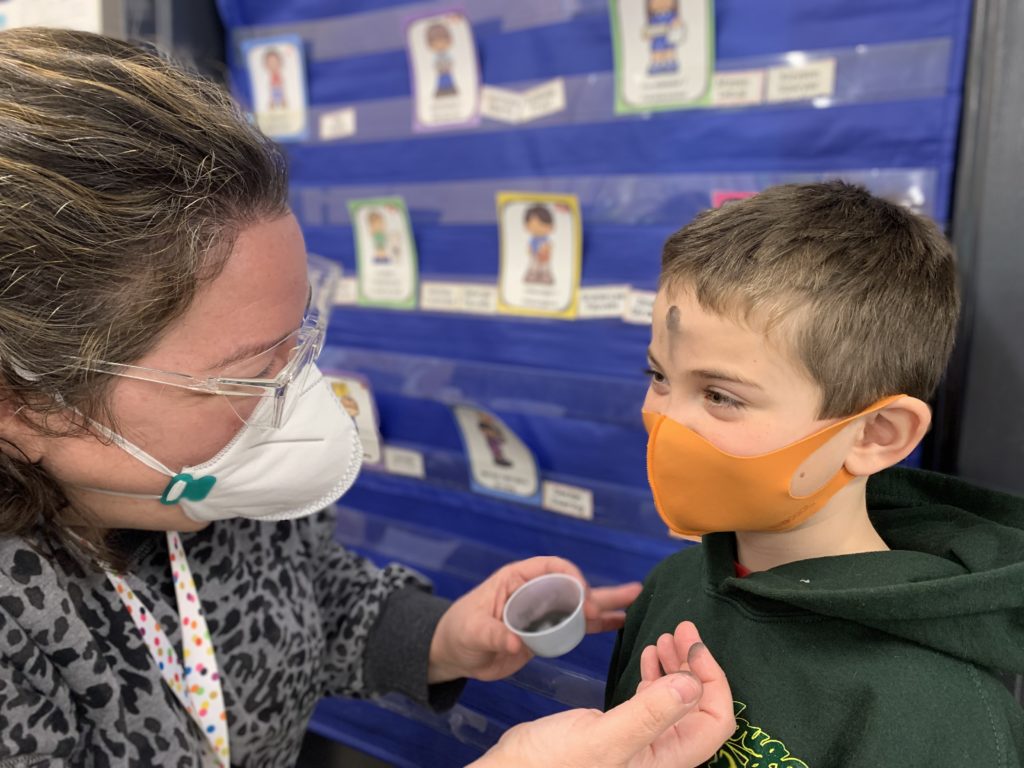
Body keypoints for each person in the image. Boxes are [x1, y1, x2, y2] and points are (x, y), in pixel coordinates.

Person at [0, 28, 736, 767]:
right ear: (27, 403)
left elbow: (303, 598)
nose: (295, 404)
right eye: (249, 374)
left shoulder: (207, 492)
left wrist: (443, 638)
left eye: (303, 340)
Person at [605, 182, 1024, 765]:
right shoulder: (671, 588)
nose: (665, 421)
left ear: (875, 434)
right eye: (659, 376)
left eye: (720, 395)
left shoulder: (942, 711)